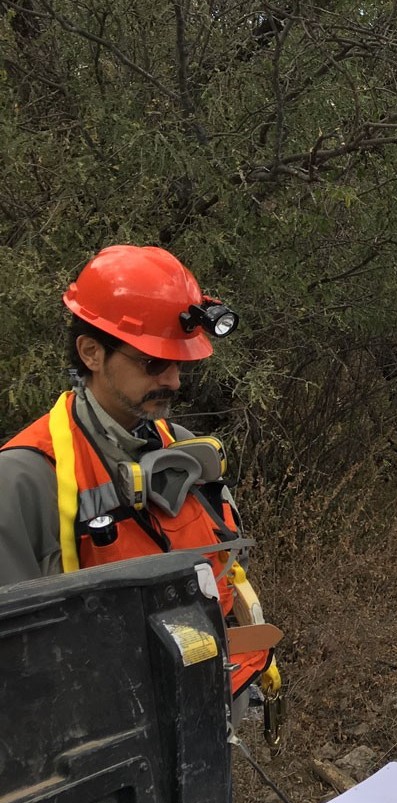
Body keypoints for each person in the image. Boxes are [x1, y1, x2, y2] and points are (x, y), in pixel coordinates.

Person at [0, 244, 277, 706]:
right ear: (91, 352)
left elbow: (226, 580)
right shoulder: (24, 480)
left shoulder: (184, 451)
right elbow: (19, 674)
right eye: (152, 363)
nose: (173, 380)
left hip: (207, 717)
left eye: (178, 363)